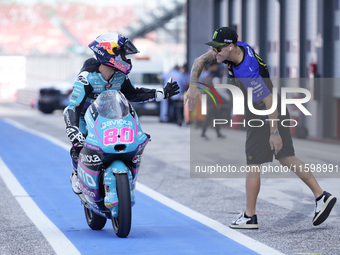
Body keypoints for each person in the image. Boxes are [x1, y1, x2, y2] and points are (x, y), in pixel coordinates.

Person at [184, 26, 337, 229]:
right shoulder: (238, 49)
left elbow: (268, 100)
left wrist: (274, 132)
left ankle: (249, 216)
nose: (215, 52)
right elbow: (200, 61)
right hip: (268, 109)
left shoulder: (247, 71)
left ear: (230, 46)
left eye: (218, 48)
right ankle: (321, 196)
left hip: (266, 112)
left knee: (254, 163)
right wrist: (193, 87)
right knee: (286, 158)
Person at [64, 32, 179, 195]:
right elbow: (73, 107)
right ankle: (76, 174)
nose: (126, 59)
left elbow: (133, 94)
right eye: (123, 55)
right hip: (85, 119)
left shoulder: (120, 76)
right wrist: (73, 129)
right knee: (79, 145)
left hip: (109, 118)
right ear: (109, 54)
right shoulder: (87, 77)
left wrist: (161, 93)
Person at [200, 61, 226, 139]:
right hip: (213, 100)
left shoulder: (208, 75)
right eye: (215, 66)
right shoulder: (214, 76)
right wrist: (227, 98)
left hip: (211, 98)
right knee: (209, 116)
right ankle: (203, 132)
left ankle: (218, 133)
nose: (216, 67)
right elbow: (218, 90)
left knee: (216, 115)